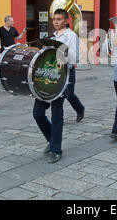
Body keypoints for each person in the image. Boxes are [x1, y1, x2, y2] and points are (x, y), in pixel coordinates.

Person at [33, 9, 83, 164]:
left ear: (65, 20)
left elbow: (75, 57)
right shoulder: (51, 36)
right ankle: (51, 138)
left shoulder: (71, 36)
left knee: (57, 114)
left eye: (59, 19)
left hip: (62, 77)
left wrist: (61, 52)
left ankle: (56, 149)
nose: (55, 22)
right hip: (48, 76)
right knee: (38, 113)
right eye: (54, 19)